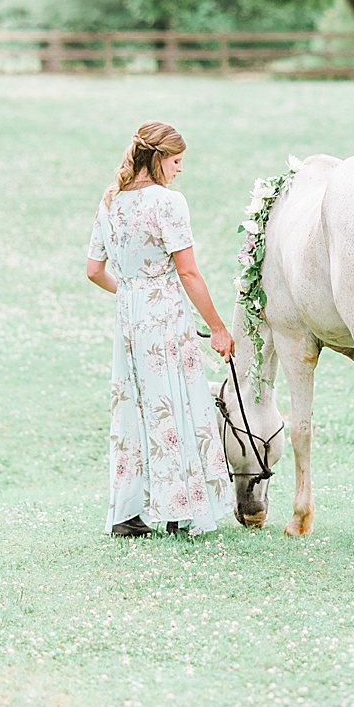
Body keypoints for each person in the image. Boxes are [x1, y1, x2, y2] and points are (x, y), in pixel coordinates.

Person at [86, 119, 236, 539]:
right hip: (164, 315)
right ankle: (177, 511)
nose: (180, 169)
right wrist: (219, 329)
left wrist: (130, 294)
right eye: (176, 160)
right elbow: (188, 273)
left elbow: (93, 270)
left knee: (134, 406)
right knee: (176, 402)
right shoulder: (168, 203)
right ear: (158, 159)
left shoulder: (110, 201)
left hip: (130, 320)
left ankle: (126, 512)